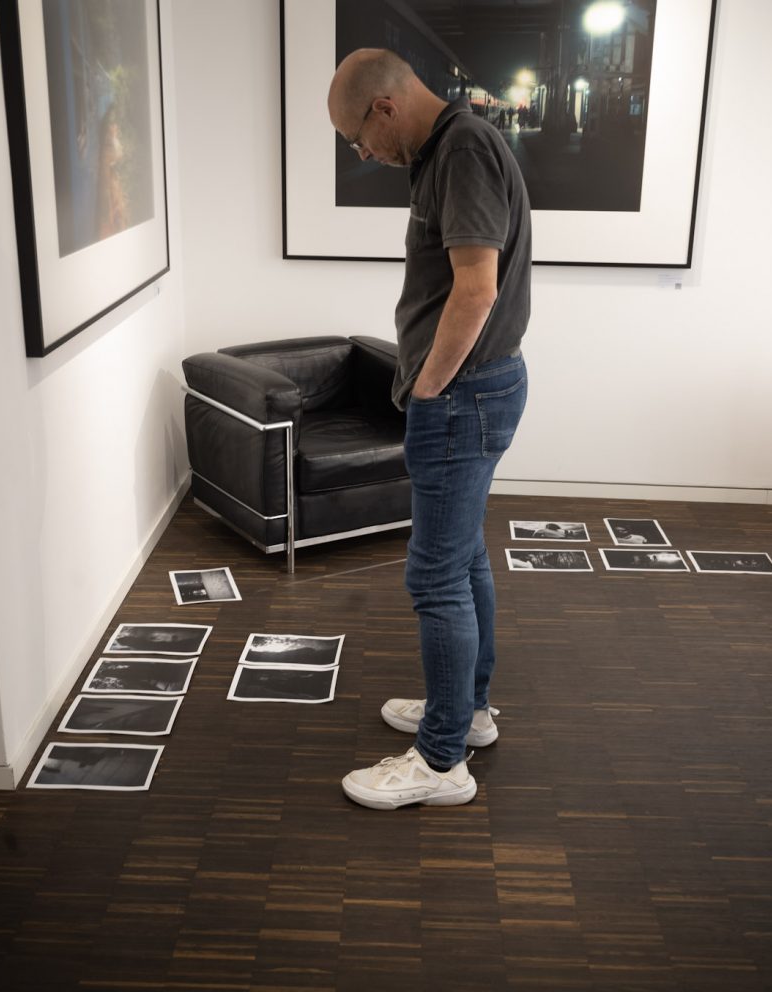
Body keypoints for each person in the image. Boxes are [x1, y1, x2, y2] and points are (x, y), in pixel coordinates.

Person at [328, 49, 532, 810]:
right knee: (463, 559)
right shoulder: (449, 149)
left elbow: (476, 289)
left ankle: (442, 761)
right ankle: (467, 713)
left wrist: (428, 387)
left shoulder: (463, 149)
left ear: (383, 107)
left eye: (358, 138)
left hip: (462, 395)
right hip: (474, 391)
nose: (364, 154)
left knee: (435, 577)